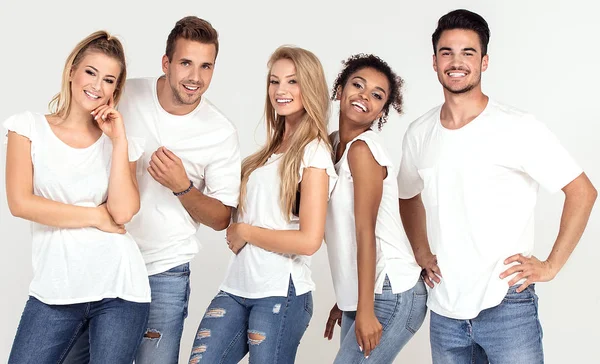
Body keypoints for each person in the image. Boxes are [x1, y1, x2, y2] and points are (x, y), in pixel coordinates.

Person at [397, 9, 597, 364]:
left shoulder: (517, 127)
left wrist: (551, 266)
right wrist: (421, 252)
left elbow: (582, 191)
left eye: (468, 53)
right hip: (444, 310)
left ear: (484, 62)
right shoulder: (419, 133)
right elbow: (407, 194)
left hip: (507, 304)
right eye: (447, 52)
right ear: (434, 61)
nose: (456, 62)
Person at [64, 16, 241, 364]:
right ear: (166, 63)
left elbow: (222, 217)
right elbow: (76, 132)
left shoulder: (220, 132)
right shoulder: (126, 94)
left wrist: (182, 186)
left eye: (206, 66)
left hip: (164, 272)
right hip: (102, 258)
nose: (195, 77)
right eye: (186, 63)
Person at [5, 31, 150, 363]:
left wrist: (119, 140)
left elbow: (123, 211)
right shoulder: (27, 128)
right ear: (72, 70)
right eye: (91, 72)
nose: (97, 85)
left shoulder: (121, 143)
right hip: (55, 290)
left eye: (109, 79)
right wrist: (96, 217)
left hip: (120, 288)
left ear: (116, 90)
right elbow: (21, 203)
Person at [188, 45, 336, 364]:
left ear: (309, 86)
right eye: (274, 81)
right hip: (237, 285)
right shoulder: (265, 154)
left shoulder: (315, 154)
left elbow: (309, 241)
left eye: (292, 81)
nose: (280, 90)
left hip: (280, 291)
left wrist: (245, 231)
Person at [322, 54, 426, 363]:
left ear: (382, 110)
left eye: (377, 95)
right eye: (358, 85)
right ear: (339, 89)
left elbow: (365, 232)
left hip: (390, 290)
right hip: (366, 291)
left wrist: (365, 309)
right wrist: (347, 297)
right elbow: (340, 233)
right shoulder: (334, 144)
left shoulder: (363, 151)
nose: (365, 97)